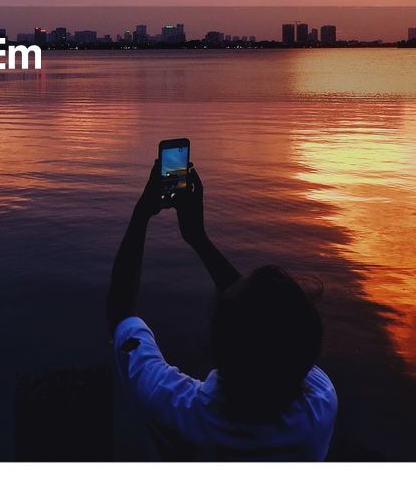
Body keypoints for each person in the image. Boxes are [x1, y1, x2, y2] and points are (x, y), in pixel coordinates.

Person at [106, 159, 338, 460]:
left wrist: (142, 213)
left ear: (216, 341)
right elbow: (260, 324)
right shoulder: (320, 403)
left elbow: (121, 311)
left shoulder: (178, 409)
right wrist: (197, 238)